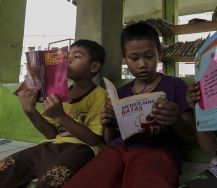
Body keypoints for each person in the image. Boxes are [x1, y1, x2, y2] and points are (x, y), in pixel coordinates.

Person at [64, 22, 196, 188]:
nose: (142, 64)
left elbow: (191, 137)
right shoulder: (120, 93)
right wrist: (108, 124)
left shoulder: (175, 86)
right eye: (134, 58)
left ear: (159, 53)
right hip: (117, 151)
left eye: (148, 56)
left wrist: (175, 118)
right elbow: (110, 140)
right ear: (124, 58)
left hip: (157, 152)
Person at [0, 39, 107, 188]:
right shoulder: (58, 94)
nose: (68, 60)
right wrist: (30, 110)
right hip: (51, 146)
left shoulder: (100, 96)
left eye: (76, 57)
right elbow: (51, 134)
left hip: (82, 149)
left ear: (94, 66)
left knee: (52, 181)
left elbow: (93, 140)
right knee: (6, 168)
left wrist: (60, 116)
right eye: (67, 56)